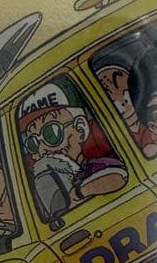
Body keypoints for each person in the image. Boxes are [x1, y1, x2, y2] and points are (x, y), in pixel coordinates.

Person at [18, 79, 127, 215]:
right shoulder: (41, 187)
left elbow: (118, 177)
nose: (43, 149)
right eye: (33, 143)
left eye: (52, 134)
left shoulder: (93, 166)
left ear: (80, 129)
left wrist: (78, 193)